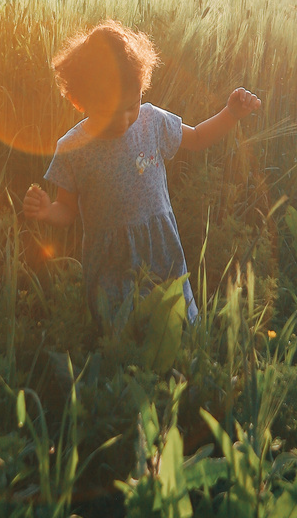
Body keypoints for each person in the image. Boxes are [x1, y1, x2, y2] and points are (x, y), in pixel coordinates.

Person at [22, 19, 261, 325]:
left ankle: (184, 361)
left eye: (131, 104)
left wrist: (231, 114)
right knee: (122, 329)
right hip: (112, 260)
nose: (123, 119)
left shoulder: (151, 121)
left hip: (160, 246)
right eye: (109, 110)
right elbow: (66, 210)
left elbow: (199, 138)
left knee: (174, 317)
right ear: (79, 100)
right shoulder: (73, 147)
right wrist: (46, 212)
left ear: (142, 88)